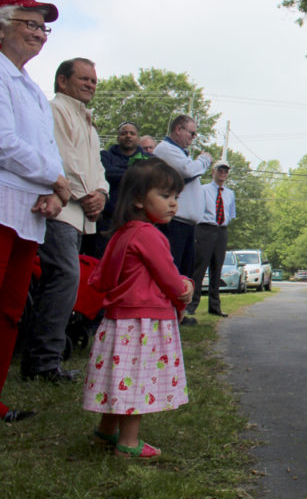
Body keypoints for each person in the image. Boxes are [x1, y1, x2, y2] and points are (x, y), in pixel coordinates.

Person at [83, 158, 193, 459]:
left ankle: (105, 431)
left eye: (176, 198)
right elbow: (169, 277)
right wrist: (185, 287)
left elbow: (102, 277)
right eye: (165, 196)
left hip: (117, 322)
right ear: (138, 200)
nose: (173, 204)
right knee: (136, 381)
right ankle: (129, 444)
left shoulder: (120, 234)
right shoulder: (149, 235)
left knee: (119, 376)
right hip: (142, 322)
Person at [0, 0, 70, 422]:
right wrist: (56, 179)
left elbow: (46, 148)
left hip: (29, 212)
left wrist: (57, 190)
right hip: (4, 204)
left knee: (9, 310)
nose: (39, 35)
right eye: (29, 24)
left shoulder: (28, 84)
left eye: (43, 28)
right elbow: (5, 143)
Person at [21, 57, 109, 383]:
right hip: (61, 208)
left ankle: (43, 359)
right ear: (62, 81)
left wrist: (102, 193)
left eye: (94, 81)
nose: (91, 85)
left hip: (79, 212)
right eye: (84, 79)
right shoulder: (55, 110)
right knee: (63, 280)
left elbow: (96, 166)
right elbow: (62, 159)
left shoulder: (86, 119)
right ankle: (43, 362)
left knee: (63, 282)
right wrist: (88, 195)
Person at [152, 115, 211, 326]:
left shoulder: (180, 153)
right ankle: (165, 312)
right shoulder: (166, 150)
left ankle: (177, 313)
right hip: (173, 222)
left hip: (187, 224)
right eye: (191, 133)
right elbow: (188, 170)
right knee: (172, 269)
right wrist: (204, 159)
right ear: (178, 129)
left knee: (184, 272)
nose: (193, 138)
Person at [87, 121, 149, 257]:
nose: (128, 136)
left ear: (138, 139)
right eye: (124, 133)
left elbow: (149, 177)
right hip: (108, 220)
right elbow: (106, 173)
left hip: (136, 220)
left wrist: (121, 173)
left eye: (132, 133)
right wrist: (134, 173)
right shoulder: (105, 156)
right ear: (118, 137)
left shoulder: (148, 159)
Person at [190, 159, 235, 317]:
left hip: (221, 230)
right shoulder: (203, 190)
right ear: (213, 172)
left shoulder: (229, 193)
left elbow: (230, 214)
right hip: (205, 229)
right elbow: (197, 209)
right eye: (220, 170)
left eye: (225, 171)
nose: (223, 173)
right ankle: (191, 305)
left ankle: (215, 306)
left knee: (217, 268)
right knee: (199, 268)